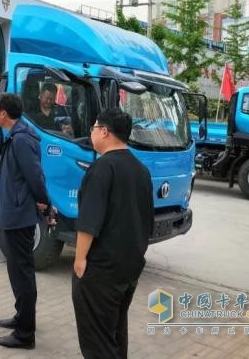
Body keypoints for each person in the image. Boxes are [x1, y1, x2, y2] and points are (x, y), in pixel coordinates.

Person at [72, 108, 154, 359]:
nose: (91, 132)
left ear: (105, 132)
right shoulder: (141, 169)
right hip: (128, 267)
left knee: (97, 339)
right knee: (116, 331)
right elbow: (146, 220)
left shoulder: (102, 168)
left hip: (102, 270)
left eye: (94, 127)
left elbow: (89, 221)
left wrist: (79, 259)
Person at [0, 93, 50, 350]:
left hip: (19, 215)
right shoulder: (16, 136)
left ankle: (25, 333)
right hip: (14, 212)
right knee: (17, 271)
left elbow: (35, 175)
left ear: (4, 113)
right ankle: (21, 316)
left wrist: (43, 201)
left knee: (23, 273)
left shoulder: (21, 139)